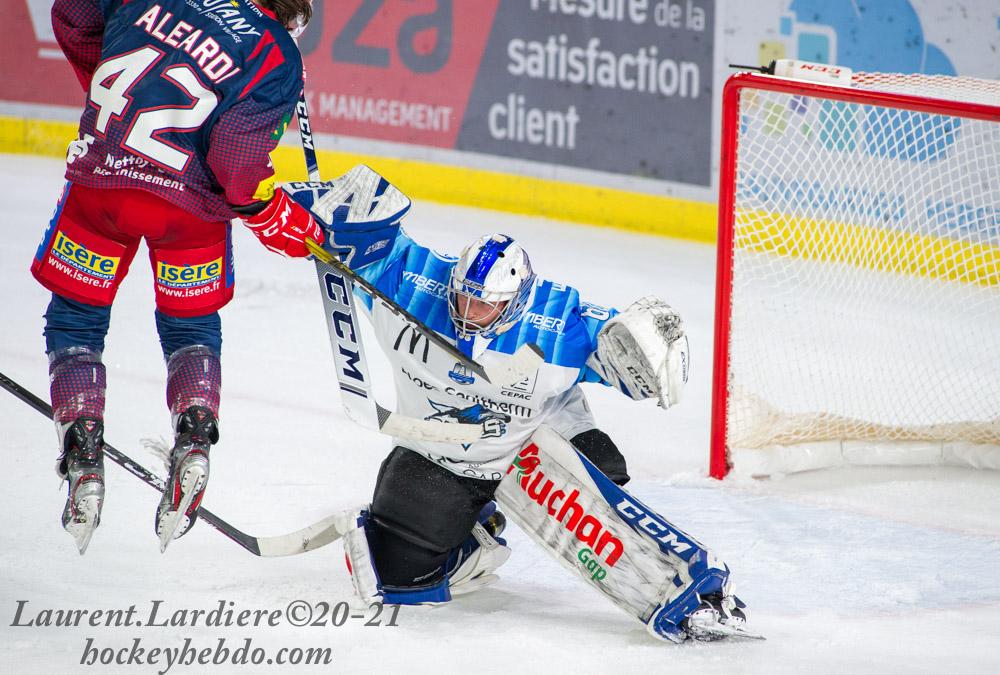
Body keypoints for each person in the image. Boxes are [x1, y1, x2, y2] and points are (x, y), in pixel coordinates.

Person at [283, 165, 749, 641]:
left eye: (484, 305)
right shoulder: (413, 282)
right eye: (463, 299)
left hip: (538, 439)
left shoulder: (560, 323)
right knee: (399, 575)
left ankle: (689, 586)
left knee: (603, 493)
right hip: (444, 454)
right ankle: (476, 533)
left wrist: (654, 350)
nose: (469, 313)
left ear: (517, 301)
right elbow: (357, 231)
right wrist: (299, 216)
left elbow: (629, 355)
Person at [35, 0, 323, 554]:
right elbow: (236, 163)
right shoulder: (274, 51)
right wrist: (267, 210)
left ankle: (83, 446)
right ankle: (194, 437)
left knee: (75, 320)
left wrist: (116, 90)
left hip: (103, 182)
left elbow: (72, 11)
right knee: (191, 326)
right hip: (189, 209)